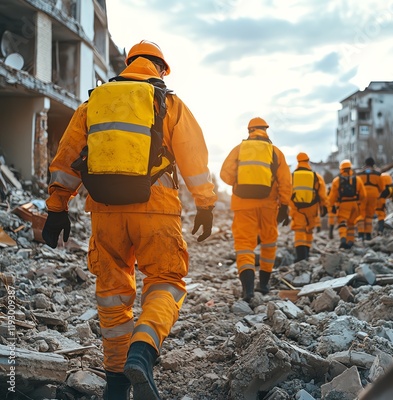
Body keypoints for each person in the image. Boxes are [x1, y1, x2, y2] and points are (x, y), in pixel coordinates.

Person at [41, 40, 217, 400]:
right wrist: (205, 203)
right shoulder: (168, 103)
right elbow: (194, 160)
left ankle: (117, 384)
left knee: (112, 294)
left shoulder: (94, 103)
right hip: (156, 207)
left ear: (127, 64)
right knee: (166, 279)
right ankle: (143, 349)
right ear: (161, 69)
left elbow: (66, 158)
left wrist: (57, 207)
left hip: (104, 210)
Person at [220, 117, 292, 302]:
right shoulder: (276, 152)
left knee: (244, 245)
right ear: (266, 130)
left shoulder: (239, 149)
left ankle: (248, 290)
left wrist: (239, 182)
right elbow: (285, 181)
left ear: (249, 131)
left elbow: (224, 175)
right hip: (268, 206)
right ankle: (264, 284)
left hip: (243, 205)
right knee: (268, 242)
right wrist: (284, 205)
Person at [289, 152, 329, 261]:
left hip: (297, 208)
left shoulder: (292, 176)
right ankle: (306, 254)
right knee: (309, 230)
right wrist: (324, 207)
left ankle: (301, 256)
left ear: (298, 161)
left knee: (299, 230)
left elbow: (286, 192)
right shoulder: (316, 176)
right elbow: (322, 194)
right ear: (308, 161)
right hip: (312, 207)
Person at [328, 159, 366, 249]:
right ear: (350, 168)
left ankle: (343, 239)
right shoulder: (358, 179)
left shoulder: (337, 181)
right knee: (351, 224)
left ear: (341, 169)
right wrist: (359, 204)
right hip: (354, 204)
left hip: (343, 204)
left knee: (342, 222)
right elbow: (363, 195)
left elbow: (332, 196)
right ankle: (350, 242)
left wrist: (332, 206)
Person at [357, 157, 385, 241]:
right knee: (369, 215)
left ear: (365, 164)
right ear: (373, 164)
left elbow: (357, 186)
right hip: (373, 194)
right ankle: (368, 234)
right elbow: (382, 187)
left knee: (361, 214)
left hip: (362, 194)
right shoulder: (377, 174)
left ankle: (361, 234)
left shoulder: (360, 174)